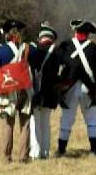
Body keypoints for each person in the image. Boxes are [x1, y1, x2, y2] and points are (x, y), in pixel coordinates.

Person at [54, 19, 96, 156]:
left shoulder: (65, 45)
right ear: (88, 33)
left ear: (75, 31)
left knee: (66, 119)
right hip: (89, 88)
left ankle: (61, 150)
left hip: (69, 88)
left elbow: (58, 64)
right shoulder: (95, 48)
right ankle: (94, 150)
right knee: (92, 120)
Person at [0, 19, 35, 163]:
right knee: (25, 124)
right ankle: (24, 157)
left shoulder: (1, 51)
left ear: (7, 34)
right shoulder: (29, 48)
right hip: (25, 90)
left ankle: (6, 157)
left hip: (8, 91)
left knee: (8, 124)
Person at [28, 22, 59, 159]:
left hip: (35, 91)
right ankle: (45, 152)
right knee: (46, 124)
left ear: (40, 37)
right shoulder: (56, 53)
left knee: (35, 123)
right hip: (49, 93)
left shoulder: (32, 50)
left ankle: (35, 153)